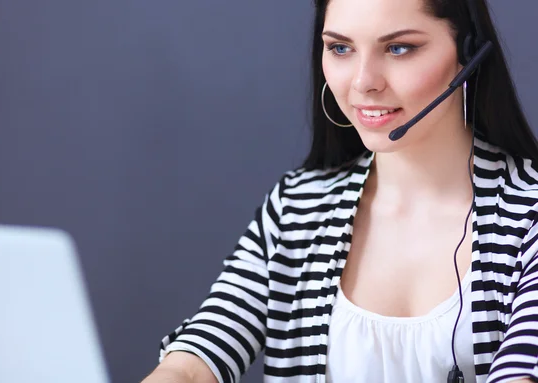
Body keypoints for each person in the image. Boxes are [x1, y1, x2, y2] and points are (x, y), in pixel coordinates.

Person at [142, 0, 538, 382]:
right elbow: (196, 359)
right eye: (340, 48)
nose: (363, 82)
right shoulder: (297, 207)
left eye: (399, 48)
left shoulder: (528, 213)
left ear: (468, 52)